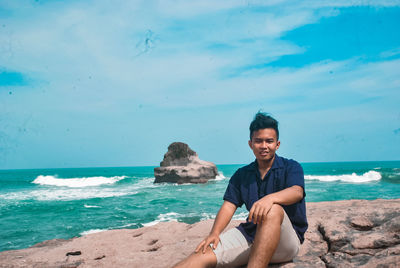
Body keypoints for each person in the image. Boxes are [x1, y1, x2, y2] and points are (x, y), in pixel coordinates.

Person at [173, 112, 308, 268]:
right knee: (199, 256)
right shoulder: (242, 174)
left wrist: (269, 199)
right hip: (250, 235)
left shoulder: (291, 167)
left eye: (269, 141)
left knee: (272, 210)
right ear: (250, 144)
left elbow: (296, 192)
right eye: (258, 141)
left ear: (277, 144)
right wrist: (214, 233)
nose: (264, 146)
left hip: (284, 243)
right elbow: (229, 206)